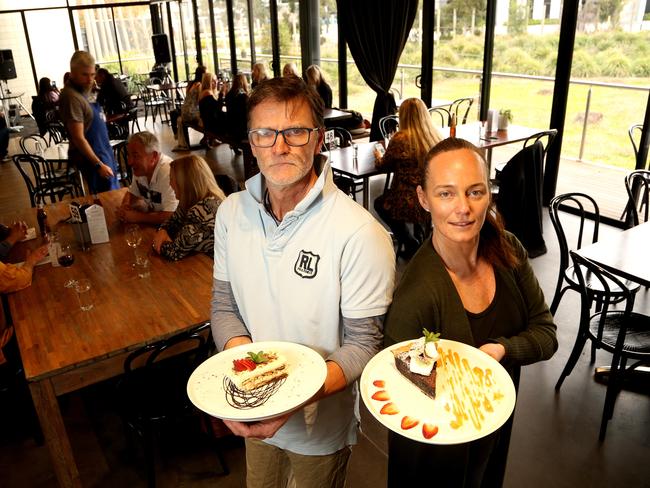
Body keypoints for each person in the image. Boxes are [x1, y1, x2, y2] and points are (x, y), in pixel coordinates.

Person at [210, 76, 395, 488]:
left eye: (294, 131)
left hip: (319, 427)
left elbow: (365, 343)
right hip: (254, 406)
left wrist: (289, 398)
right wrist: (248, 377)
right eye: (265, 133)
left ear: (319, 138)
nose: (279, 146)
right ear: (250, 141)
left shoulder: (359, 233)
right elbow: (225, 307)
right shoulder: (231, 213)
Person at [383, 137, 558, 488]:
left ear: (488, 195)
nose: (462, 207)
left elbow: (546, 334)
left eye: (474, 192)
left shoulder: (508, 250)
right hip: (434, 449)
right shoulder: (416, 295)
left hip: (492, 421)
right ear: (423, 199)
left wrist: (502, 349)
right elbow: (402, 393)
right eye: (446, 194)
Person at [374, 98, 443, 259]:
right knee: (415, 208)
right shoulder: (434, 136)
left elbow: (384, 166)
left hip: (407, 199)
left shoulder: (401, 138)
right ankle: (421, 241)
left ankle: (409, 241)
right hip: (430, 197)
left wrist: (378, 155)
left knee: (380, 204)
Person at [58, 51, 119, 194]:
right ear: (72, 72)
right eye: (84, 75)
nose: (90, 80)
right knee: (105, 200)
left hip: (103, 151)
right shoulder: (71, 97)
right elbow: (78, 138)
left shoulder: (83, 92)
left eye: (92, 75)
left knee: (113, 196)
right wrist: (98, 165)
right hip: (93, 157)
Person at [152, 155, 225, 261]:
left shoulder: (204, 210)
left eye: (172, 179)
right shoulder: (190, 201)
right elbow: (172, 222)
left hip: (221, 272)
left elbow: (173, 252)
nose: (170, 184)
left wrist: (158, 241)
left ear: (184, 183)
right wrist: (163, 230)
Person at [117, 131, 178, 225]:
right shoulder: (141, 170)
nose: (129, 162)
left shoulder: (168, 172)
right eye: (129, 155)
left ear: (153, 156)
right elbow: (132, 193)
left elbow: (171, 215)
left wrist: (138, 217)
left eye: (135, 155)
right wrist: (126, 206)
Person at [173, 65, 206, 150]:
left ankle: (206, 139)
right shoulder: (200, 85)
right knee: (207, 117)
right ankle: (207, 139)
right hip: (191, 114)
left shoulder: (191, 84)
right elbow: (200, 102)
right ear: (203, 74)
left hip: (184, 112)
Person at [198, 72, 227, 145]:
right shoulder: (207, 93)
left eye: (216, 80)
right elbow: (218, 109)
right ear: (208, 82)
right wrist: (221, 94)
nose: (216, 82)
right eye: (213, 81)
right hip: (210, 125)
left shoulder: (207, 92)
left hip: (208, 122)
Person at [224, 72, 249, 143]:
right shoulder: (243, 96)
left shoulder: (228, 95)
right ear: (244, 82)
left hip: (230, 128)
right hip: (241, 131)